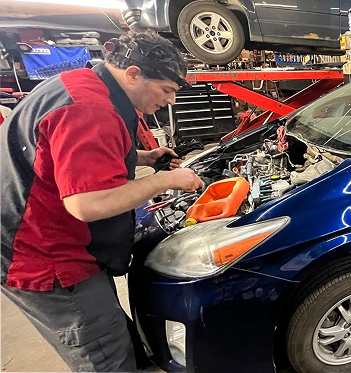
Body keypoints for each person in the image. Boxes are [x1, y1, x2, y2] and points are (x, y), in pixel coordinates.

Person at [0, 31, 204, 372]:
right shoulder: (90, 109)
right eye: (166, 90)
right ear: (134, 74)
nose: (170, 101)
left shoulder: (83, 83)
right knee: (104, 351)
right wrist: (167, 180)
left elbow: (64, 155)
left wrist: (143, 157)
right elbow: (87, 204)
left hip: (50, 236)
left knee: (114, 330)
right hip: (44, 256)